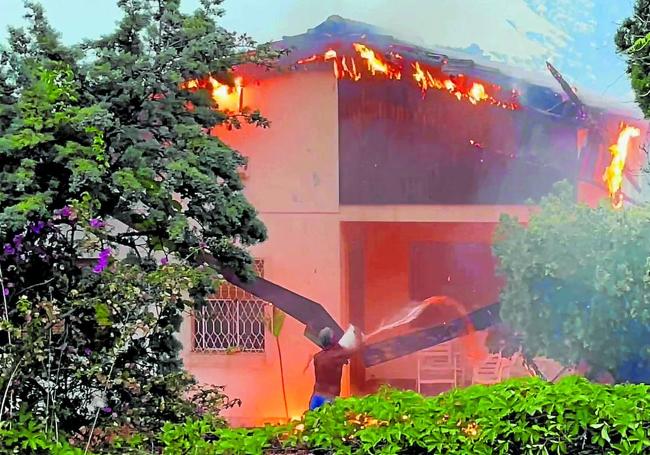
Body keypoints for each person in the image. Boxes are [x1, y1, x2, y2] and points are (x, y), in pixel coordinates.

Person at [308, 327, 360, 411]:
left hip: (315, 397)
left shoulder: (317, 357)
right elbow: (358, 348)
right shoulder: (337, 356)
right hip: (329, 399)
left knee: (312, 422)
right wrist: (358, 333)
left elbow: (331, 362)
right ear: (332, 340)